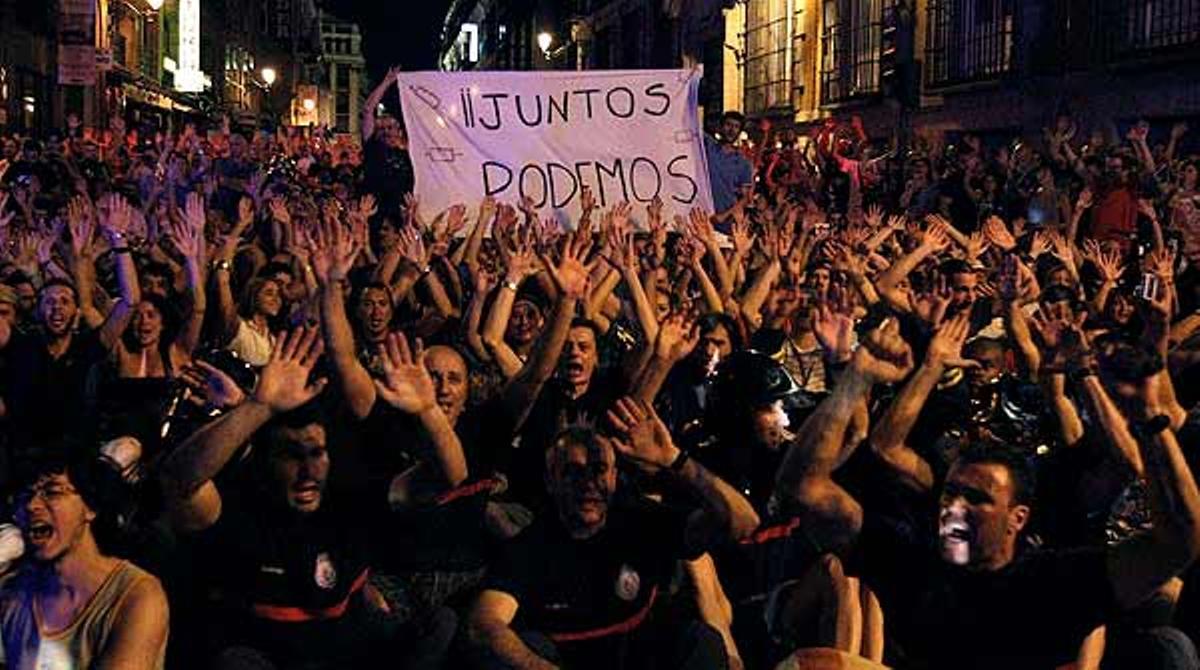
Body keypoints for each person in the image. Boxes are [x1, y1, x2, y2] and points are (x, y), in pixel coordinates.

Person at [158, 328, 461, 669]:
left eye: (316, 453)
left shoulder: (348, 498)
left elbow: (448, 479)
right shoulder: (241, 505)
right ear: (266, 461)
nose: (307, 470)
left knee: (441, 625)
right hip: (267, 657)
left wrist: (429, 411)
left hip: (346, 654)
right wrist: (257, 408)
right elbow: (179, 481)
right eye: (290, 455)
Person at [466, 399, 760, 670]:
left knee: (700, 640)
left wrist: (675, 460)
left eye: (598, 470)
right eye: (573, 472)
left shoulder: (641, 521)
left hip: (639, 660)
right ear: (551, 481)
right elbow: (485, 623)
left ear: (614, 478)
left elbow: (742, 521)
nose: (588, 484)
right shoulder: (531, 544)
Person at [0, 454, 169, 668]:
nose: (32, 505)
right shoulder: (11, 589)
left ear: (90, 507)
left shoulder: (136, 595)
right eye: (24, 496)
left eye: (52, 492)